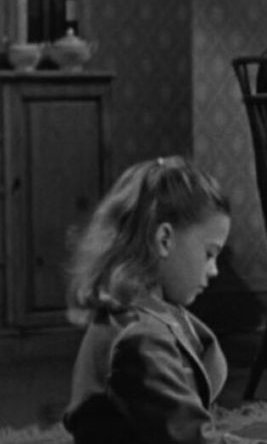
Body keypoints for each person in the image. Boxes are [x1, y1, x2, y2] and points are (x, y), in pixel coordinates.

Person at [62, 156, 251, 444]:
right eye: (209, 254)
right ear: (164, 239)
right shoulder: (140, 337)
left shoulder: (141, 313)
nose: (213, 270)